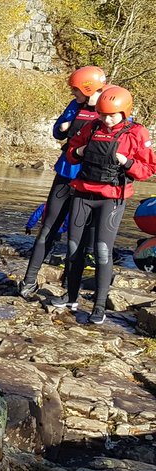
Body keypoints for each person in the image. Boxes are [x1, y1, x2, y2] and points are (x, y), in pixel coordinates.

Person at [53, 85, 156, 323]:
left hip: (111, 198)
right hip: (82, 193)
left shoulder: (137, 133)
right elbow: (71, 153)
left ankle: (99, 306)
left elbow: (148, 169)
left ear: (124, 113)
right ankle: (71, 296)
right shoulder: (92, 127)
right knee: (73, 247)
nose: (107, 120)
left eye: (112, 115)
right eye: (103, 114)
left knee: (101, 251)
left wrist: (127, 162)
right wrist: (79, 150)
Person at [19, 66, 109, 299]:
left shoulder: (111, 108)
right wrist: (63, 128)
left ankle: (71, 291)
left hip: (92, 181)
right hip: (66, 173)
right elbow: (57, 132)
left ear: (89, 89)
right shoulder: (74, 106)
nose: (73, 94)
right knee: (48, 226)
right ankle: (29, 281)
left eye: (76, 90)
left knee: (80, 236)